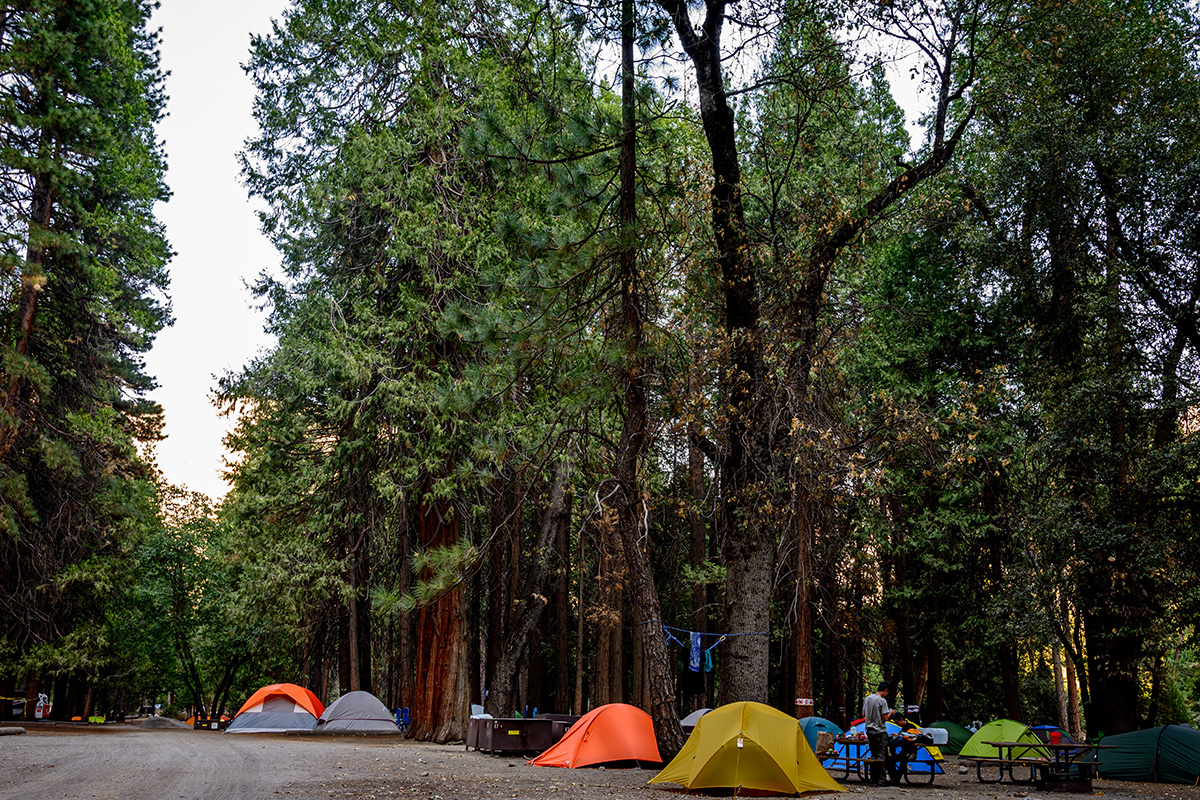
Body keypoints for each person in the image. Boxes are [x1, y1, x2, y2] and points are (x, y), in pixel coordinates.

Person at [863, 681, 893, 785]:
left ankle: (872, 780)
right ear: (885, 690)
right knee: (882, 756)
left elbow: (863, 713)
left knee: (874, 755)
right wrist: (891, 713)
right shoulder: (882, 701)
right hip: (880, 731)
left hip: (870, 731)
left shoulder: (867, 699)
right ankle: (881, 780)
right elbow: (885, 718)